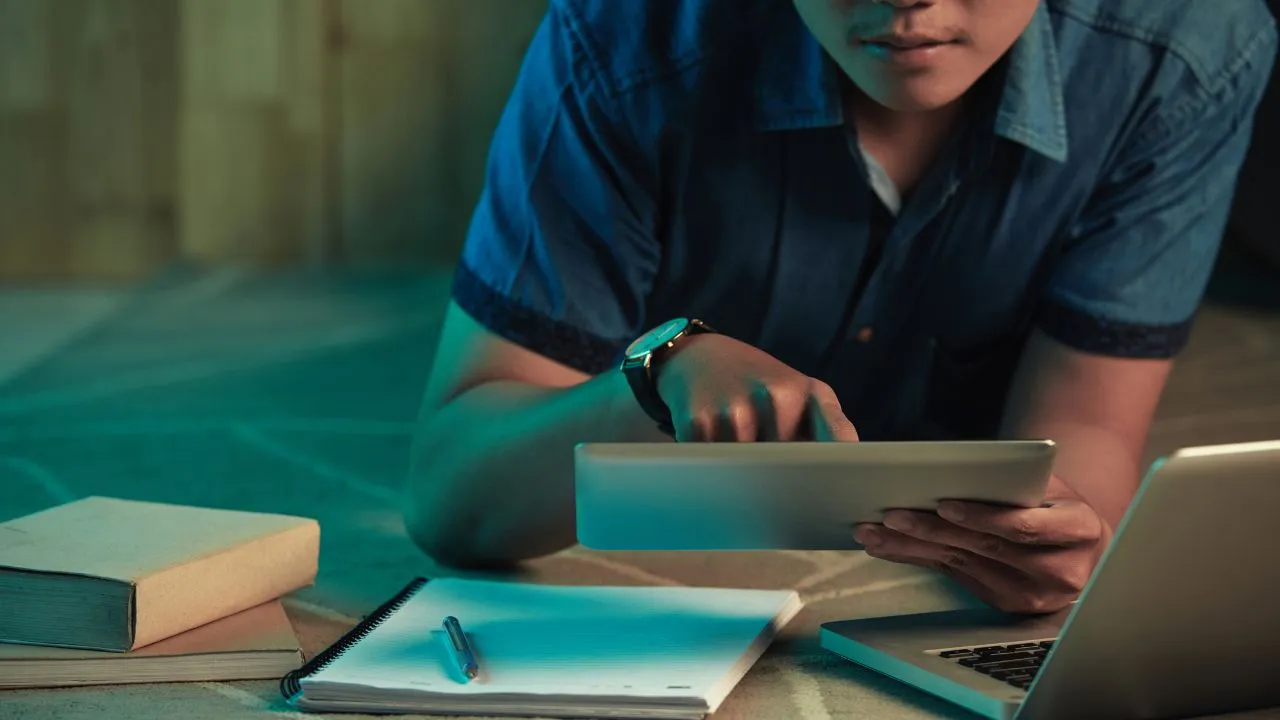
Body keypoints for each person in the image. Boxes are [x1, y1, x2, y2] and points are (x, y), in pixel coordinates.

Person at [405, 0, 1277, 614]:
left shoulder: (1192, 44)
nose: (909, 0)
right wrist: (657, 370)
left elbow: (1086, 427)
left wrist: (1064, 533)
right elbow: (454, 496)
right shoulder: (621, 33)